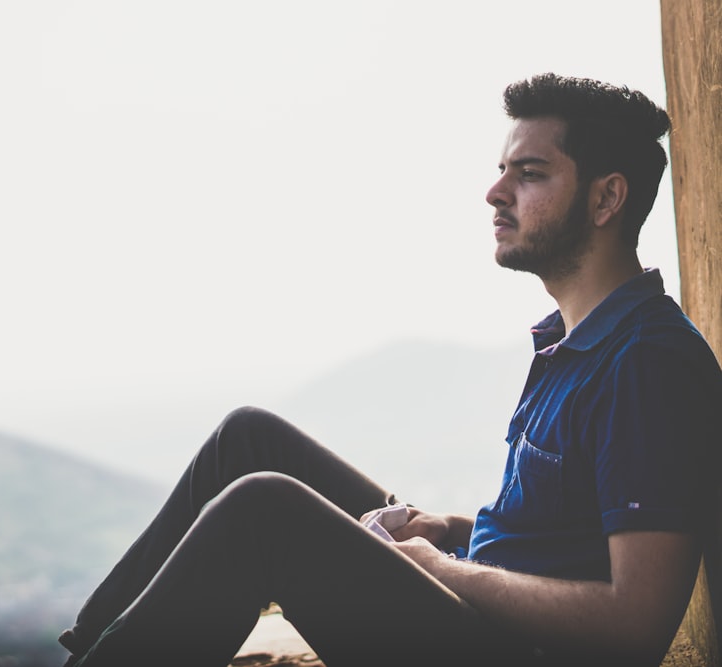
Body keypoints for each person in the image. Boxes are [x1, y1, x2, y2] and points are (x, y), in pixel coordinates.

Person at [57, 73, 722, 666]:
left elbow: (635, 625)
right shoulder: (573, 340)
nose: (495, 192)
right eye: (502, 170)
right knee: (248, 436)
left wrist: (447, 572)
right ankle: (89, 652)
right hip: (483, 607)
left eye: (530, 173)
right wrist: (449, 530)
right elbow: (557, 534)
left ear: (606, 200)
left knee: (265, 508)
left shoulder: (646, 363)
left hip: (507, 649)